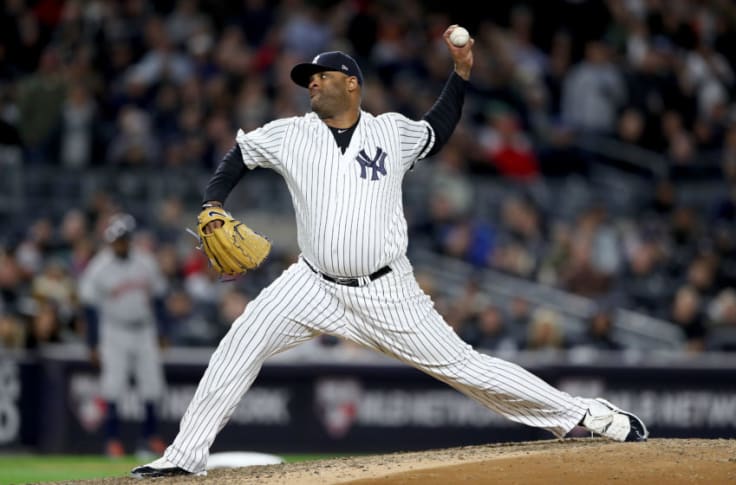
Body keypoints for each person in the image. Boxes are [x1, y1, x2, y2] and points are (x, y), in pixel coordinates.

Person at [132, 25, 648, 478]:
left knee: (465, 368)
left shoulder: (391, 132)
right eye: (307, 77)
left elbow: (438, 129)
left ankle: (582, 414)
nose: (311, 81)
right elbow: (238, 155)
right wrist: (213, 202)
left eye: (321, 75)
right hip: (311, 283)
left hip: (386, 289)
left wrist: (461, 73)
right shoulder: (290, 134)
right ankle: (184, 455)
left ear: (351, 83)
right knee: (240, 342)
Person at [79, 213, 169, 457]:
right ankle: (112, 440)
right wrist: (93, 343)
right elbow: (89, 307)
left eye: (123, 239)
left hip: (144, 328)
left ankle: (149, 438)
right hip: (114, 330)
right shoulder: (99, 267)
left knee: (152, 384)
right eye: (116, 240)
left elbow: (159, 297)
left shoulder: (145, 261)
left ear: (130, 239)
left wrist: (162, 331)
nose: (119, 243)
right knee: (113, 385)